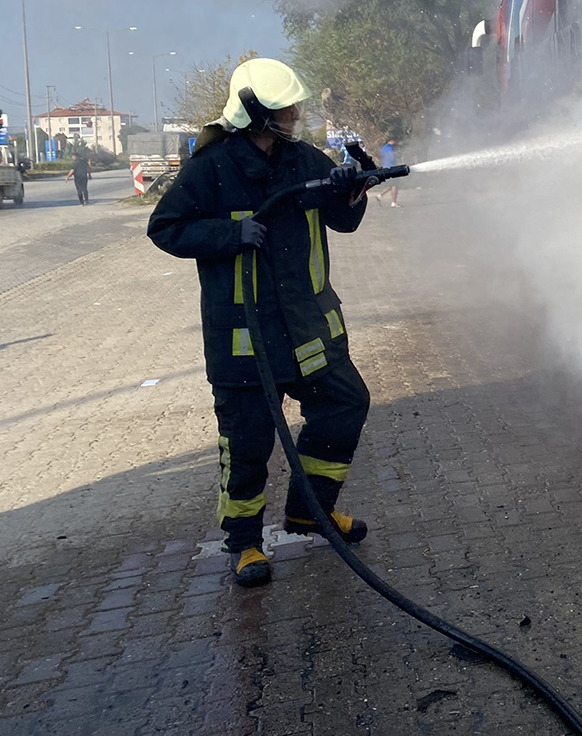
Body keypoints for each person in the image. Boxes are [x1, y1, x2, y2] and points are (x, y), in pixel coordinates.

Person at [147, 58, 372, 588]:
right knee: (247, 445)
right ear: (255, 111)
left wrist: (350, 187)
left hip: (308, 332)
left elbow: (343, 220)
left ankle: (309, 511)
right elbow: (165, 228)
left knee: (345, 406)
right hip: (243, 343)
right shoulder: (211, 169)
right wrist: (230, 235)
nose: (295, 114)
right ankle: (245, 545)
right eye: (285, 107)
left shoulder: (302, 160)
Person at [378, 137, 400, 207]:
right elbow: (391, 158)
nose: (396, 142)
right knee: (395, 185)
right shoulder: (390, 149)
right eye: (395, 141)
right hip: (391, 168)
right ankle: (393, 203)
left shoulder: (384, 148)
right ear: (391, 141)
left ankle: (380, 195)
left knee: (391, 185)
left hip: (386, 168)